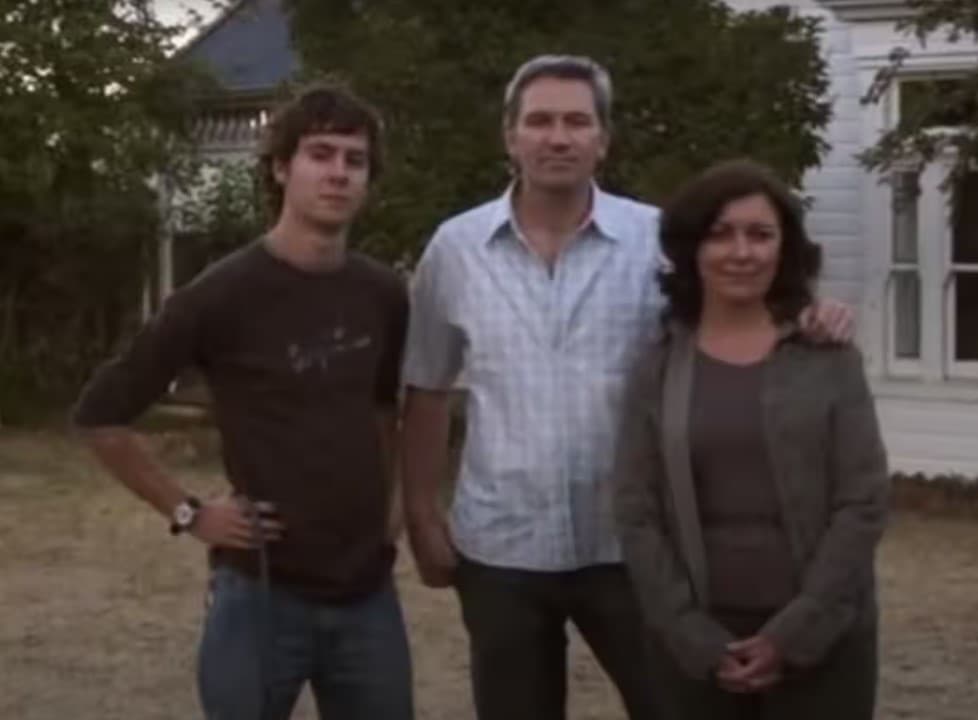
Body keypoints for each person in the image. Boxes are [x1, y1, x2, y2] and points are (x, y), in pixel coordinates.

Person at [401, 55, 855, 720]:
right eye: (541, 121)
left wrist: (807, 316)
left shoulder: (659, 241)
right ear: (511, 135)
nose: (559, 137)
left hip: (636, 548)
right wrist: (419, 514)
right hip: (501, 549)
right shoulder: (456, 248)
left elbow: (739, 320)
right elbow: (427, 385)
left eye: (577, 122)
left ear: (603, 140)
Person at [72, 85, 413, 720]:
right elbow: (100, 416)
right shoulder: (219, 296)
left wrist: (391, 513)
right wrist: (187, 512)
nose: (338, 172)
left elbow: (382, 408)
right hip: (258, 597)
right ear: (282, 167)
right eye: (320, 154)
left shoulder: (383, 294)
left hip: (367, 596)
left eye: (354, 159)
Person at [614, 159, 889, 720]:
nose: (742, 252)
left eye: (761, 235)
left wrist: (792, 634)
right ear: (691, 249)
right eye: (721, 234)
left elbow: (862, 501)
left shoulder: (827, 357)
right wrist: (690, 633)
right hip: (694, 645)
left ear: (784, 248)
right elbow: (636, 509)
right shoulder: (657, 367)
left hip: (825, 637)